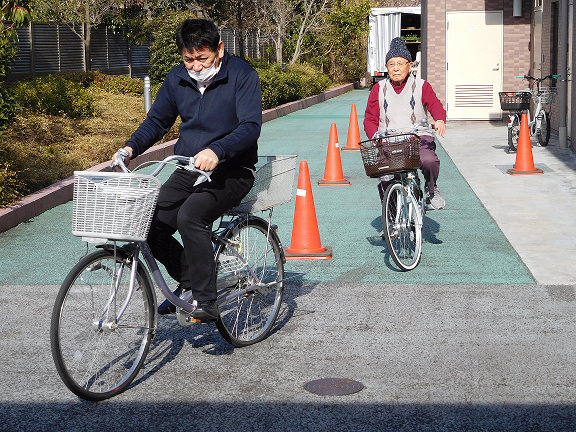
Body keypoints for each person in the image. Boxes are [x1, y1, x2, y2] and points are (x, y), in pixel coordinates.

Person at [112, 19, 261, 322]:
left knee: (190, 216)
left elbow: (250, 127)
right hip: (188, 169)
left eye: (202, 58)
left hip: (233, 170)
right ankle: (191, 281)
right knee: (149, 225)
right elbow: (157, 121)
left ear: (219, 49)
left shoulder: (243, 75)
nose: (194, 66)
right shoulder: (177, 78)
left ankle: (208, 301)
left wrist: (217, 150)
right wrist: (130, 148)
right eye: (188, 59)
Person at [364, 37, 447, 210]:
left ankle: (431, 188)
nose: (396, 68)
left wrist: (439, 119)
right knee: (385, 177)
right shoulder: (378, 89)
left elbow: (435, 104)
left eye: (400, 63)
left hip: (418, 138)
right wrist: (374, 135)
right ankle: (392, 221)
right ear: (386, 67)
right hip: (389, 141)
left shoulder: (421, 85)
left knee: (428, 160)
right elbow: (370, 118)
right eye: (391, 64)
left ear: (410, 66)